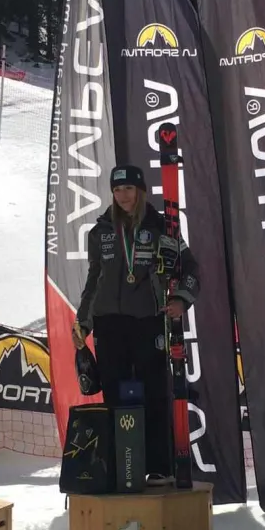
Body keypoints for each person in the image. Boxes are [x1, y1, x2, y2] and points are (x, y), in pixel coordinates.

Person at [72, 164, 198, 484]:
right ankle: (119, 466)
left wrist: (181, 299)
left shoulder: (162, 227)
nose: (123, 196)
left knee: (153, 392)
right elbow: (94, 279)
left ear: (140, 190)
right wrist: (83, 322)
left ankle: (158, 467)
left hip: (147, 320)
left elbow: (191, 268)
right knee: (113, 393)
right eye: (117, 190)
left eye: (128, 189)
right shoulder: (100, 231)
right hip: (108, 321)